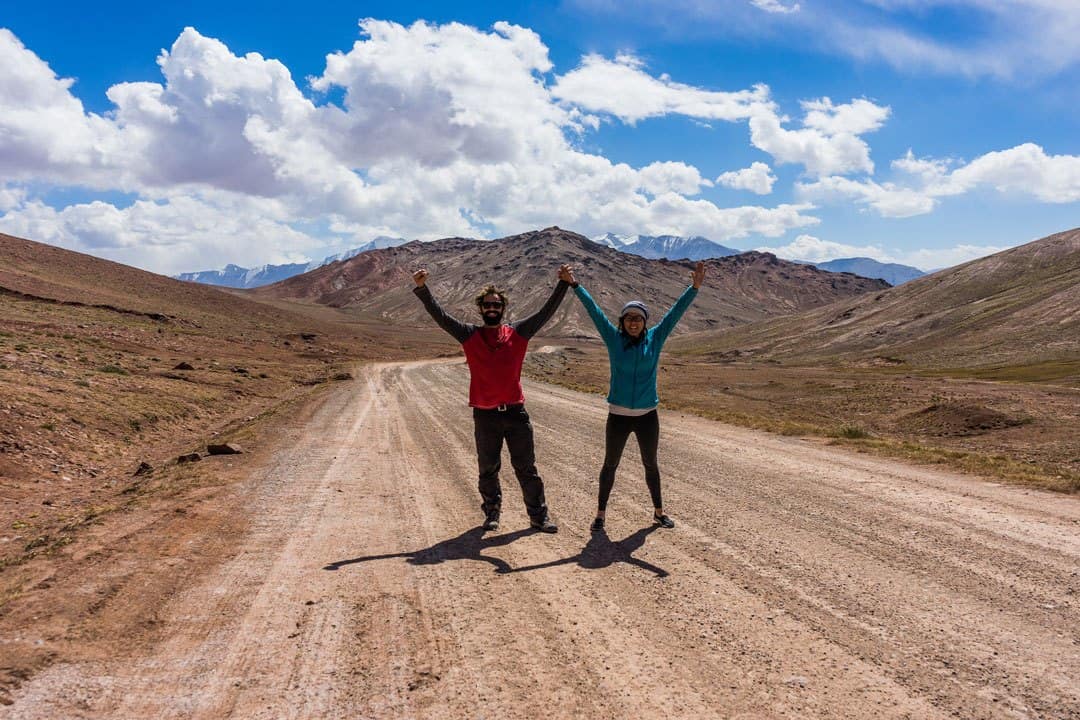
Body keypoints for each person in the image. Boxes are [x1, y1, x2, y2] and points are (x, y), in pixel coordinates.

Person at [412, 266, 572, 533]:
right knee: (488, 468)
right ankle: (492, 513)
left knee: (526, 468)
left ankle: (538, 517)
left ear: (503, 308)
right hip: (485, 415)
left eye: (496, 305)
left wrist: (564, 284)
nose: (492, 308)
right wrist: (423, 289)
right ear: (481, 308)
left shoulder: (518, 333)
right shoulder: (468, 334)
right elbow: (441, 317)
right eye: (487, 305)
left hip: (515, 413)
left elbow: (546, 312)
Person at [559, 261, 705, 531]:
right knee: (610, 465)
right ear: (622, 322)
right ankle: (601, 514)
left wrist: (693, 288)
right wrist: (575, 284)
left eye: (638, 318)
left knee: (651, 464)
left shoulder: (656, 339)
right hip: (618, 417)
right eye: (629, 318)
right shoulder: (613, 339)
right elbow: (594, 311)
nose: (633, 323)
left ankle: (659, 513)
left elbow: (675, 314)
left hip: (647, 416)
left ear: (644, 322)